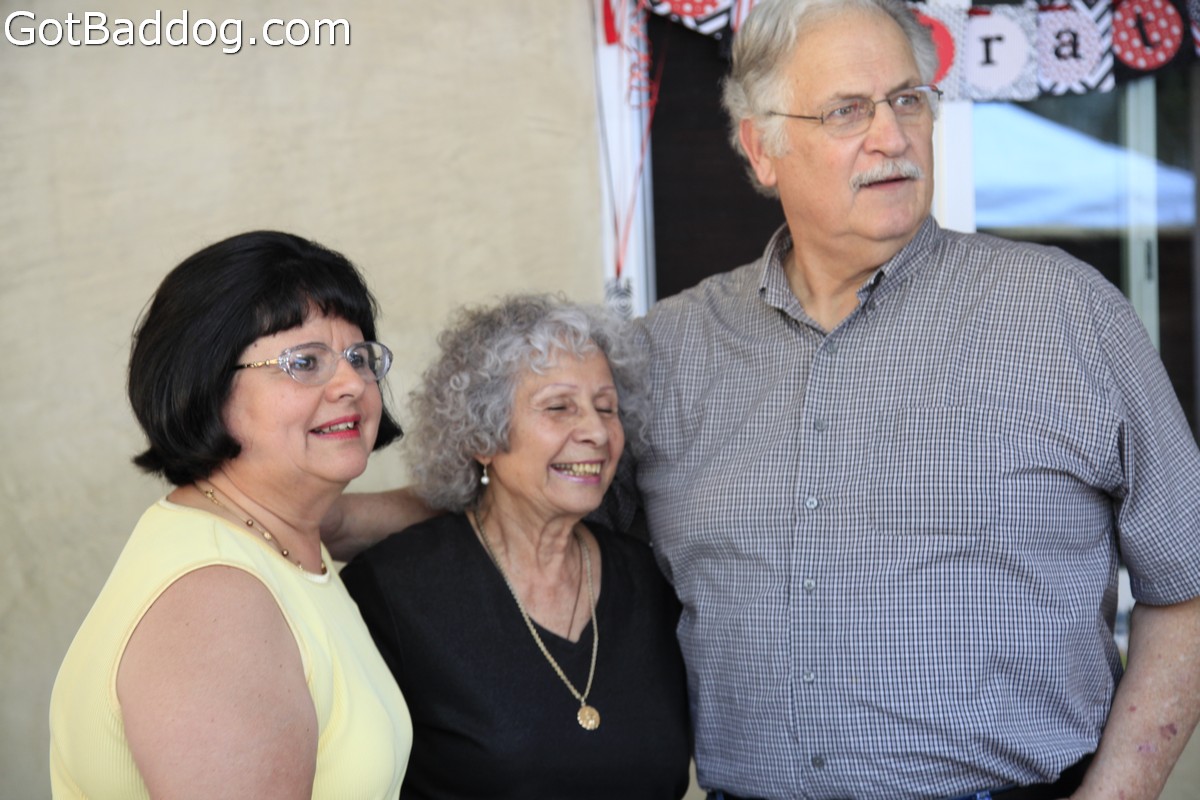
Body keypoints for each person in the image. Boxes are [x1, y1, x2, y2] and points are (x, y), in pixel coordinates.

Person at [325, 1, 1200, 797]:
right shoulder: (668, 352)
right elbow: (535, 494)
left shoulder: (1064, 314)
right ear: (759, 148)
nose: (892, 136)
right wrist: (320, 519)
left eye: (908, 100)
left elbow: (1188, 582)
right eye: (847, 111)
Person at [49, 231, 413, 799]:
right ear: (209, 383)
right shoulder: (217, 601)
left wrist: (497, 488)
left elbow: (359, 521)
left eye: (359, 357)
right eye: (305, 362)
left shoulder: (276, 533)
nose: (351, 384)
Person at [338, 294, 691, 800]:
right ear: (484, 436)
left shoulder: (651, 580)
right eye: (559, 407)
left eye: (606, 408)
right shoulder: (392, 592)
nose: (596, 431)